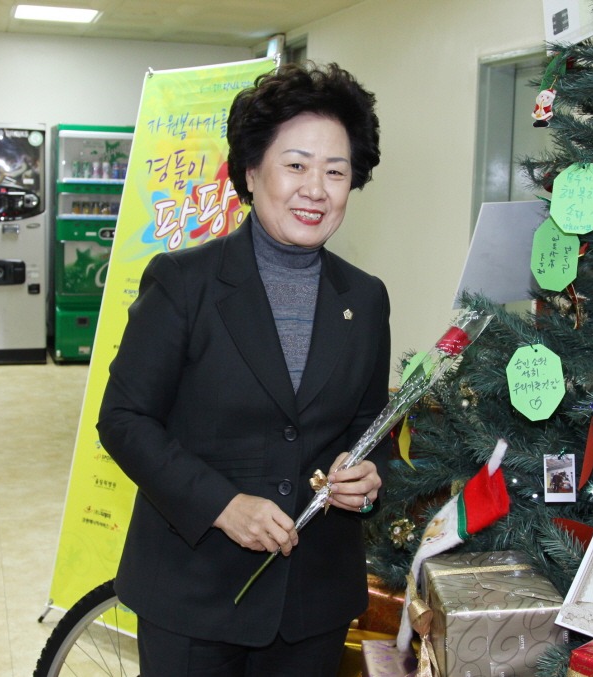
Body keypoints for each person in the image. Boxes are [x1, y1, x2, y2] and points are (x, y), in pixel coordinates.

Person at [97, 62, 390, 677]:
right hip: (192, 592)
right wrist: (223, 505)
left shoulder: (364, 299)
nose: (316, 188)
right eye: (296, 165)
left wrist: (365, 477)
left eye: (336, 172)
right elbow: (124, 419)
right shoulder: (183, 283)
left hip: (312, 601)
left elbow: (369, 427)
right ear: (251, 173)